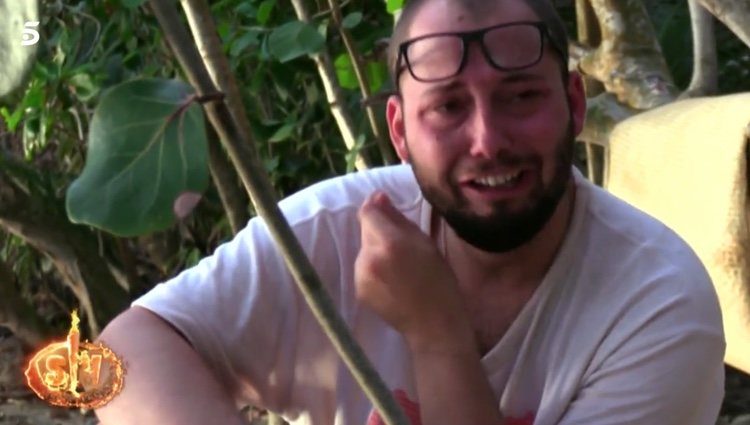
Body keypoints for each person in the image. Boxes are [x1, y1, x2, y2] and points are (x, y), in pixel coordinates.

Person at [94, 0, 726, 424]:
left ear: (574, 104)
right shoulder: (332, 232)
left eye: (522, 96)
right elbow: (127, 348)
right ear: (399, 131)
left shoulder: (657, 305)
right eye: (448, 107)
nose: (488, 140)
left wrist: (436, 335)